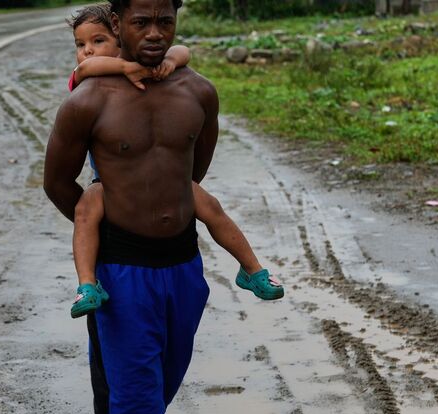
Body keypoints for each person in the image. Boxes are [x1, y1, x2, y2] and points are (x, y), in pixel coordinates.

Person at [44, 0, 255, 414]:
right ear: (118, 25)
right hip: (122, 272)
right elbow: (58, 183)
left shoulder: (199, 92)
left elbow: (193, 169)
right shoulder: (87, 102)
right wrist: (109, 225)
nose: (156, 33)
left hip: (183, 265)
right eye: (142, 23)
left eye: (166, 21)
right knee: (137, 389)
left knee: (162, 378)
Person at [64, 4, 283, 319]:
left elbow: (183, 50)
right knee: (86, 211)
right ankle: (87, 284)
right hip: (111, 186)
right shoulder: (90, 83)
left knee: (211, 207)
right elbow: (85, 70)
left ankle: (252, 269)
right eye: (80, 44)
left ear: (118, 36)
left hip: (169, 184)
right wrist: (124, 69)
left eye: (97, 42)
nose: (87, 52)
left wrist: (169, 60)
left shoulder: (171, 79)